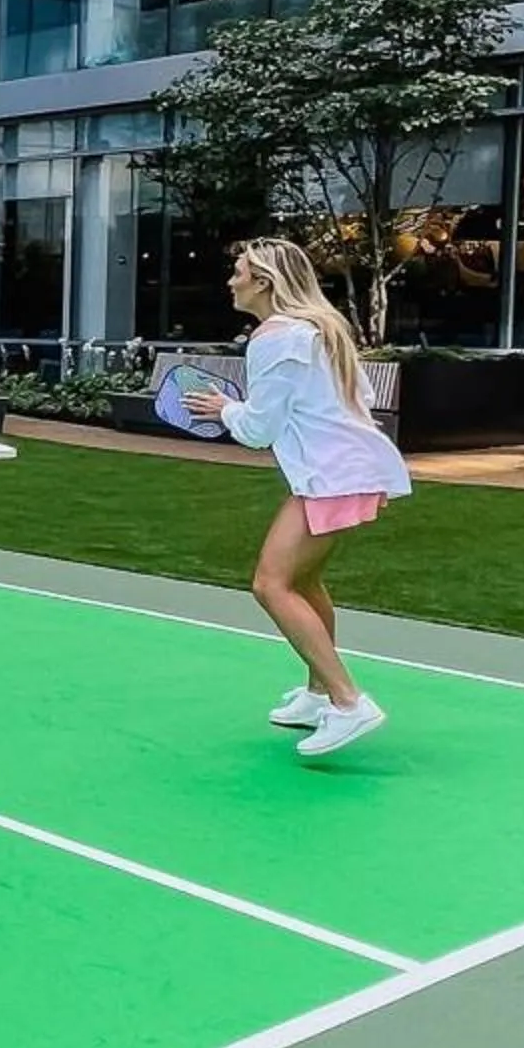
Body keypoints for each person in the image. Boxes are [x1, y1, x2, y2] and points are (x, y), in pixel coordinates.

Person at [183, 238, 409, 759]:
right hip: (349, 471)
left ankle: (350, 703)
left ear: (263, 282)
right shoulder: (318, 330)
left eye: (238, 271)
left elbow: (260, 429)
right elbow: (354, 403)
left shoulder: (274, 338)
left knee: (270, 583)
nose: (231, 280)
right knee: (304, 581)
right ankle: (316, 694)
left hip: (332, 476)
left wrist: (224, 409)